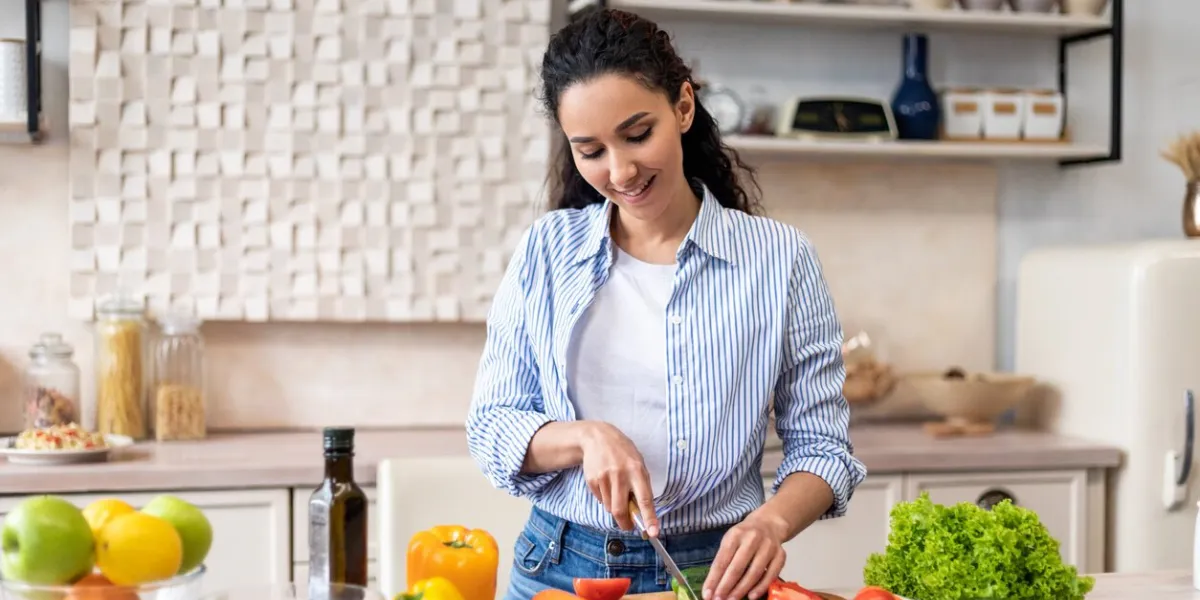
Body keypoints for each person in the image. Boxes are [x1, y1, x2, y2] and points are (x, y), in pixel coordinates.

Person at [466, 7, 867, 600]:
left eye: (637, 134)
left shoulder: (780, 260)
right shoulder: (546, 252)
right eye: (591, 150)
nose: (621, 170)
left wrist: (771, 522)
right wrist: (584, 437)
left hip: (717, 573)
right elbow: (492, 426)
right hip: (556, 566)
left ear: (682, 107)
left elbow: (824, 448)